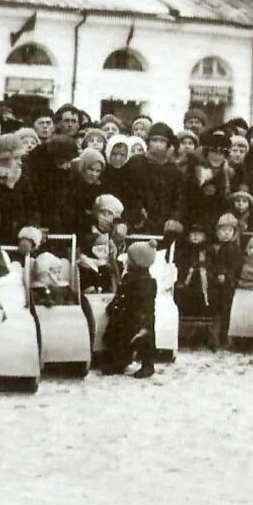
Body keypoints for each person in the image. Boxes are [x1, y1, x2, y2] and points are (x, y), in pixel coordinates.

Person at [102, 240, 159, 379]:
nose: (126, 261)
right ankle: (121, 362)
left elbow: (144, 304)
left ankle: (147, 365)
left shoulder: (146, 282)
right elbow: (121, 295)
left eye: (129, 258)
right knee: (121, 339)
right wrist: (114, 306)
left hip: (140, 318)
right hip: (126, 316)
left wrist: (142, 320)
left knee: (143, 340)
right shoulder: (129, 277)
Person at [120, 122, 184, 235]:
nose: (158, 145)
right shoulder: (135, 163)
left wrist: (174, 219)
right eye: (154, 140)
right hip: (136, 223)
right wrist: (135, 210)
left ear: (168, 144)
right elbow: (125, 192)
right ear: (148, 142)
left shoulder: (174, 171)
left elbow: (178, 200)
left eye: (162, 141)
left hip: (163, 227)